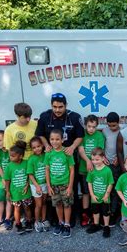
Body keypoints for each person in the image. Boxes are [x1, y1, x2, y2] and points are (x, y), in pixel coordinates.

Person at [35, 93, 84, 227]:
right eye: (54, 107)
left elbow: (81, 135)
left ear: (66, 105)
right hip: (52, 159)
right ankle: (56, 219)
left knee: (70, 189)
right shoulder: (45, 116)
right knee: (54, 191)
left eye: (60, 107)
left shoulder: (75, 117)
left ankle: (70, 219)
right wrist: (46, 145)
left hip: (68, 158)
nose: (57, 110)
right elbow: (39, 134)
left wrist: (73, 147)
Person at [45, 129, 75, 238]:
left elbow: (72, 170)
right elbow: (47, 170)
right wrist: (48, 186)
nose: (55, 142)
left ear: (62, 140)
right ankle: (60, 222)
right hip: (53, 185)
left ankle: (67, 224)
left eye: (57, 139)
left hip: (65, 184)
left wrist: (70, 186)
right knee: (58, 204)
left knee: (66, 204)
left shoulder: (67, 153)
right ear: (49, 140)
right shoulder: (48, 154)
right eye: (52, 139)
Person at [78, 114, 105, 227]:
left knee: (97, 191)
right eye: (89, 126)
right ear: (85, 125)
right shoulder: (82, 135)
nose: (91, 129)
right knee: (85, 192)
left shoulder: (99, 136)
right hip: (84, 169)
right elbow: (81, 149)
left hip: (97, 170)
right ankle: (85, 215)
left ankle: (97, 215)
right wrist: (88, 161)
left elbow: (99, 152)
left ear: (97, 126)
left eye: (94, 127)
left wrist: (93, 162)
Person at [4, 141, 33, 235]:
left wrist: (27, 185)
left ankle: (29, 222)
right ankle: (18, 224)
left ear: (20, 156)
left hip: (25, 192)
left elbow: (30, 175)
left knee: (27, 207)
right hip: (15, 192)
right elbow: (7, 180)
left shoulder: (26, 163)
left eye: (13, 156)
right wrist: (7, 191)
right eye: (10, 155)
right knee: (17, 209)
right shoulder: (9, 166)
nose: (10, 157)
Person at [86, 148, 114, 238]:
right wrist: (92, 195)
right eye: (93, 159)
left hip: (105, 197)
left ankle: (106, 226)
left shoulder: (107, 170)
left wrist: (107, 194)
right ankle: (96, 224)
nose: (94, 162)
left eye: (97, 159)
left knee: (106, 212)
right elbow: (89, 183)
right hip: (95, 196)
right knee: (95, 211)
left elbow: (110, 183)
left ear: (103, 158)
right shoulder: (91, 170)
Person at [102, 111, 121, 225]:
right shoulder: (104, 131)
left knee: (114, 190)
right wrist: (103, 156)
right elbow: (103, 144)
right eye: (110, 125)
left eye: (114, 125)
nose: (112, 127)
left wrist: (119, 158)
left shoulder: (123, 131)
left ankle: (114, 212)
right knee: (106, 189)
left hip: (116, 165)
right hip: (106, 164)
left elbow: (124, 147)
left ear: (119, 123)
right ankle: (106, 211)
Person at [27, 136, 49, 232]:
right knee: (38, 204)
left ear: (42, 145)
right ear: (32, 149)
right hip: (36, 185)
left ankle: (44, 219)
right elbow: (30, 174)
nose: (37, 149)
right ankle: (37, 221)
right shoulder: (31, 159)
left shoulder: (46, 155)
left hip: (45, 183)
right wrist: (37, 186)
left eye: (39, 146)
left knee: (44, 202)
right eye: (34, 147)